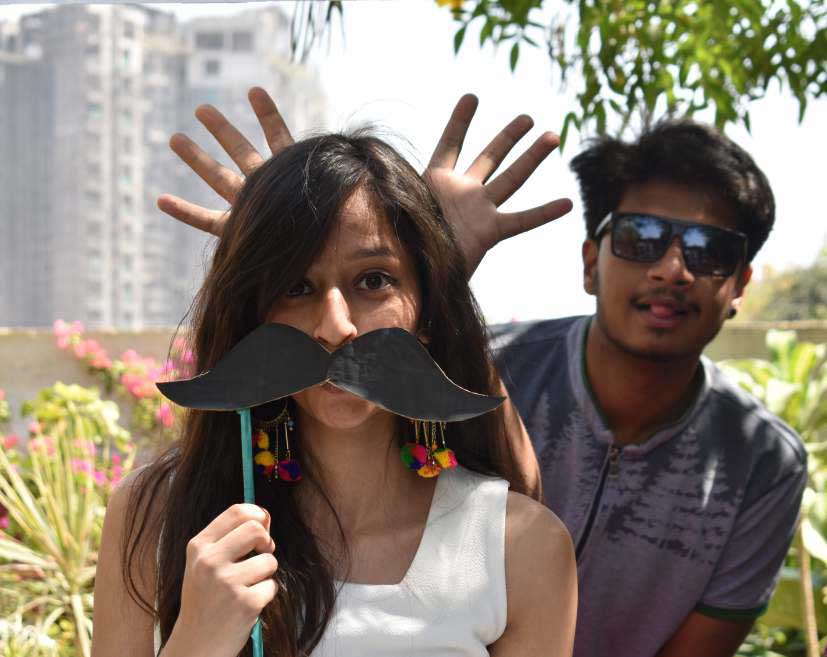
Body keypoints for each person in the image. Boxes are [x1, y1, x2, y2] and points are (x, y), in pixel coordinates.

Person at [160, 89, 808, 657]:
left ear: (741, 283)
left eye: (708, 250)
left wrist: (428, 265)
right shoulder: (497, 362)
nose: (672, 268)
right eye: (641, 237)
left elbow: (509, 521)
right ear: (590, 260)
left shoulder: (759, 460)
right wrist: (296, 222)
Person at [91, 129, 577, 657]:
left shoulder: (520, 547)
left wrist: (444, 256)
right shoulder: (155, 516)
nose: (335, 326)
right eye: (295, 287)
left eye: (374, 281)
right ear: (251, 318)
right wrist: (197, 640)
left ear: (428, 307)